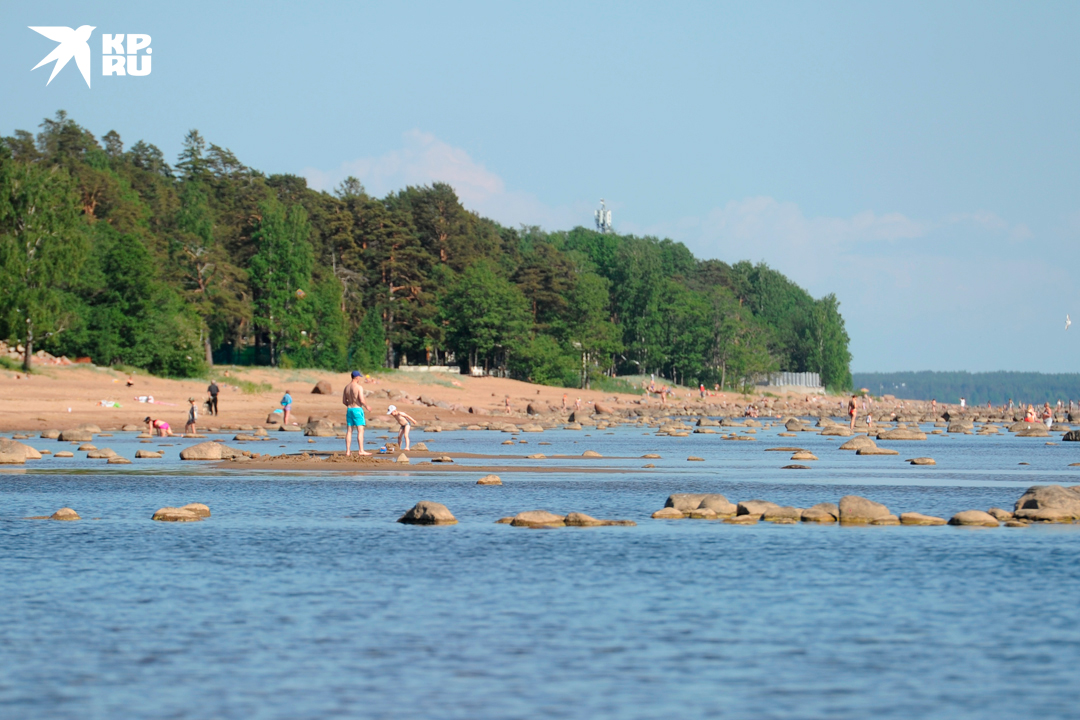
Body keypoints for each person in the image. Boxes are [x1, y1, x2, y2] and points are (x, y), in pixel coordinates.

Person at [342, 371, 370, 456]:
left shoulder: (346, 387)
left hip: (349, 409)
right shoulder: (358, 387)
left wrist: (350, 405)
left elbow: (344, 401)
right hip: (357, 409)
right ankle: (361, 450)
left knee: (349, 431)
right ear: (357, 377)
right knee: (360, 430)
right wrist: (366, 406)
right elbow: (361, 400)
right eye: (359, 377)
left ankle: (348, 451)